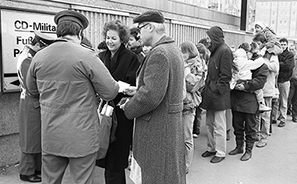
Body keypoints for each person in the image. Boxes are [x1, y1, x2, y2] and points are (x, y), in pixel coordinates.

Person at [26, 10, 119, 184]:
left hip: (51, 134)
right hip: (81, 136)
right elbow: (110, 92)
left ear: (58, 31)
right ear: (80, 33)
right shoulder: (87, 56)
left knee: (50, 181)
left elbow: (32, 90)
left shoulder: (39, 57)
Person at [122, 10, 186, 184]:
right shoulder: (172, 49)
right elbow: (164, 88)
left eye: (140, 28)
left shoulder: (159, 53)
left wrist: (128, 108)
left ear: (150, 27)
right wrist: (137, 91)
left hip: (158, 127)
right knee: (168, 174)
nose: (138, 33)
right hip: (168, 125)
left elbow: (150, 96)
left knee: (156, 175)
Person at [95, 20, 140, 184]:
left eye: (113, 38)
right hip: (104, 110)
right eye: (107, 37)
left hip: (121, 113)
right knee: (106, 155)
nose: (109, 41)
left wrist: (116, 88)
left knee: (116, 157)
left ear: (122, 39)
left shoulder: (131, 58)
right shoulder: (101, 56)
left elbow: (134, 85)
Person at [17, 31, 55, 183]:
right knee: (30, 139)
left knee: (37, 137)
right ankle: (26, 171)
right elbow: (31, 86)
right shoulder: (27, 60)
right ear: (39, 45)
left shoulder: (31, 56)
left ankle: (36, 168)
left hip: (33, 102)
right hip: (31, 102)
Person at [229, 45, 269, 161]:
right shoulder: (237, 64)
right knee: (237, 125)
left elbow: (260, 81)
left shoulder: (261, 65)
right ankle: (239, 146)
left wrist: (245, 86)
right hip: (236, 99)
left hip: (250, 100)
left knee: (250, 128)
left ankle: (248, 150)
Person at [200, 26, 232, 163]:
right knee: (209, 123)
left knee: (219, 125)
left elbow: (226, 76)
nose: (207, 40)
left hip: (218, 94)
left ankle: (220, 152)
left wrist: (216, 88)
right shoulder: (216, 50)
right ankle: (211, 148)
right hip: (211, 91)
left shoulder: (224, 51)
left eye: (209, 37)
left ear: (215, 37)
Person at [180, 41, 204, 173]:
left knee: (187, 137)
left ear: (190, 52)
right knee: (179, 137)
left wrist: (186, 72)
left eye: (183, 52)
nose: (181, 54)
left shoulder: (197, 65)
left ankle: (186, 165)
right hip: (179, 104)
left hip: (189, 106)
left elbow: (193, 86)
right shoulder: (183, 64)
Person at [250, 38, 279, 148]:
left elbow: (275, 68)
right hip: (256, 88)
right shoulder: (256, 54)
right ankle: (256, 134)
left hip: (267, 89)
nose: (257, 45)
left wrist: (263, 61)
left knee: (265, 116)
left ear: (263, 44)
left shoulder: (271, 55)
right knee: (255, 114)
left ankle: (264, 137)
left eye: (259, 43)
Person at [277, 38, 295, 127]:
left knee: (284, 101)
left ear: (287, 45)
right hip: (277, 80)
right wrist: (281, 64)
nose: (283, 46)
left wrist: (279, 64)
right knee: (276, 100)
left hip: (285, 80)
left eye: (284, 44)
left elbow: (288, 66)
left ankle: (283, 119)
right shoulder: (277, 54)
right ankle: (275, 116)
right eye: (281, 44)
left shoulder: (290, 55)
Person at [192, 43, 208, 138]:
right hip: (201, 86)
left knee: (197, 109)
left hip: (198, 87)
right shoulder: (202, 61)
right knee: (197, 109)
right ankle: (196, 129)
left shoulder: (198, 62)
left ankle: (196, 129)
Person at [288, 45, 297, 122]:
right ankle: (288, 111)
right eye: (290, 49)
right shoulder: (289, 58)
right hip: (291, 80)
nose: (291, 51)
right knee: (289, 97)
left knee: (296, 100)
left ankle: (294, 115)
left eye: (293, 49)